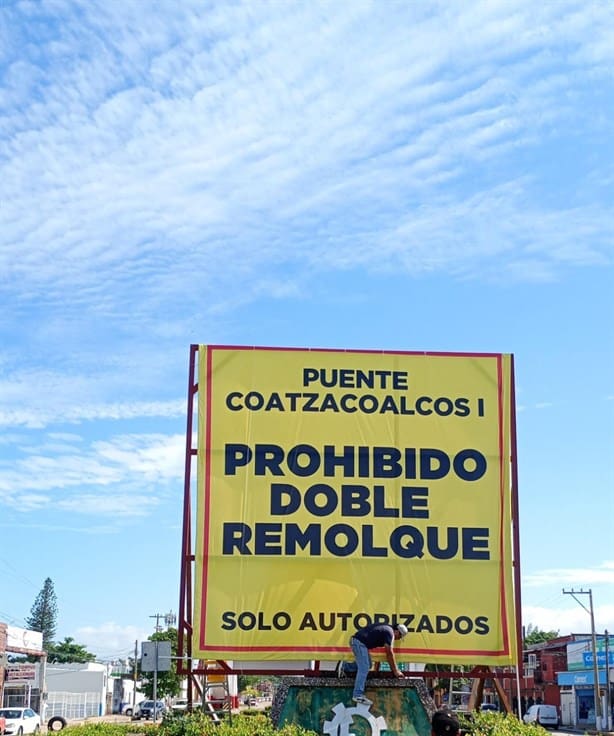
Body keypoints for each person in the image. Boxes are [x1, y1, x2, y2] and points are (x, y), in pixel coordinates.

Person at [337, 622, 408, 705]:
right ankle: (357, 695)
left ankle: (344, 667)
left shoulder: (387, 629)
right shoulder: (390, 633)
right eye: (399, 636)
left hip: (358, 642)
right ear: (397, 631)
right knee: (364, 667)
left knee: (368, 665)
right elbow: (389, 653)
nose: (398, 639)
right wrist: (396, 671)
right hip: (359, 643)